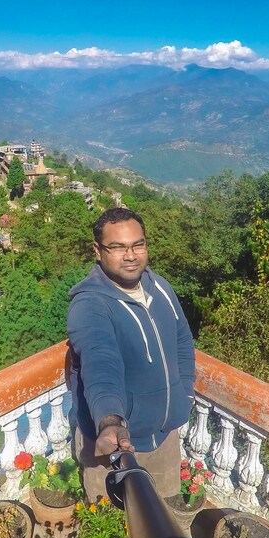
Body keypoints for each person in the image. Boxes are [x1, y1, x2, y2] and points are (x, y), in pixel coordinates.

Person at [67, 207, 196, 501]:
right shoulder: (90, 306)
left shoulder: (160, 287)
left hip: (164, 438)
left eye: (138, 245)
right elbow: (101, 365)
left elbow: (182, 341)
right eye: (117, 247)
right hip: (116, 447)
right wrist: (111, 422)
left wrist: (184, 392)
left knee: (162, 512)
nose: (130, 255)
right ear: (97, 251)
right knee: (110, 521)